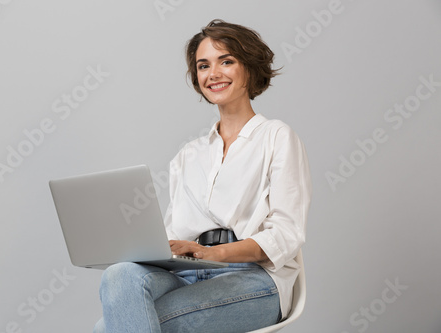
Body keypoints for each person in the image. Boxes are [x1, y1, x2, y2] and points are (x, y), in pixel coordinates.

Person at [93, 19, 311, 332]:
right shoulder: (187, 155)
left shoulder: (277, 137)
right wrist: (154, 246)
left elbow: (287, 234)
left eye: (227, 61)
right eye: (203, 65)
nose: (214, 74)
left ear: (249, 67)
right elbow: (175, 231)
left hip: (253, 278)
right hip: (189, 273)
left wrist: (215, 253)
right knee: (119, 274)